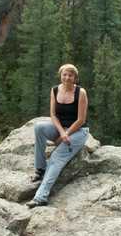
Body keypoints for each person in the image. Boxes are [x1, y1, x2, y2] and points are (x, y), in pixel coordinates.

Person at [27, 64, 89, 208]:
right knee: (39, 127)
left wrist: (65, 135)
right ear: (61, 75)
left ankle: (41, 197)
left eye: (70, 75)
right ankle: (40, 168)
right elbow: (53, 115)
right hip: (61, 128)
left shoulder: (81, 93)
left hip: (78, 131)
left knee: (56, 158)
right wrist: (61, 133)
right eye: (65, 74)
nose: (67, 78)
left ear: (75, 78)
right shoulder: (55, 90)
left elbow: (81, 120)